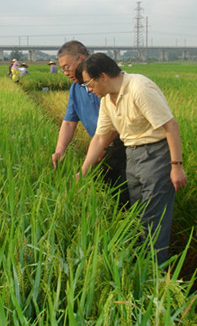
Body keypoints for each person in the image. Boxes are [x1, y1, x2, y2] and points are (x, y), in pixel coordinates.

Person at [77, 53, 187, 264]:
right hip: (132, 155)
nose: (89, 90)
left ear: (103, 76)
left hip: (156, 155)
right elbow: (100, 137)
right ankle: (142, 267)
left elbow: (170, 125)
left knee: (154, 219)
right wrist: (83, 171)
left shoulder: (139, 88)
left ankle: (155, 272)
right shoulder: (108, 100)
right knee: (138, 215)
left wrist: (176, 166)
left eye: (89, 84)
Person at [52, 41, 129, 207]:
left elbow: (115, 123)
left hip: (122, 148)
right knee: (106, 196)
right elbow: (69, 122)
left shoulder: (103, 83)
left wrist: (101, 148)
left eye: (67, 67)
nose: (65, 73)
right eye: (62, 69)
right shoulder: (76, 88)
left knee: (123, 198)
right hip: (101, 148)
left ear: (81, 59)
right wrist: (60, 150)